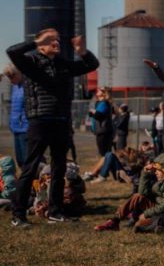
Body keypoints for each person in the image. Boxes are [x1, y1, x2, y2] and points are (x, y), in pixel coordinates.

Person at [6, 29, 99, 227]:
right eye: (51, 40)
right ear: (41, 44)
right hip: (40, 121)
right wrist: (35, 41)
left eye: (58, 39)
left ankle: (55, 212)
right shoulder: (31, 62)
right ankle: (18, 215)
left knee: (59, 168)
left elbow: (92, 65)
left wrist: (82, 51)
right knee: (30, 168)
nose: (57, 43)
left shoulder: (62, 64)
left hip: (61, 120)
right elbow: (12, 52)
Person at [93, 152, 164, 231]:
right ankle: (114, 221)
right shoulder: (163, 180)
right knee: (137, 197)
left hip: (163, 214)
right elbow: (142, 193)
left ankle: (150, 225)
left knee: (139, 225)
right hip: (156, 210)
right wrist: (145, 173)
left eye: (158, 170)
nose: (156, 172)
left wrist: (146, 214)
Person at [4, 64, 28, 167]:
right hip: (16, 127)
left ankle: (33, 180)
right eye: (8, 77)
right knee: (20, 160)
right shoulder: (15, 87)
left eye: (12, 76)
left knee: (27, 159)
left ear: (18, 73)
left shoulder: (27, 85)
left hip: (25, 128)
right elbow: (14, 107)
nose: (10, 80)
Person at [87, 86, 114, 157]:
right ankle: (106, 166)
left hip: (104, 131)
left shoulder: (104, 103)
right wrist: (92, 113)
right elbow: (94, 115)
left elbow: (99, 115)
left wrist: (94, 112)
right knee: (103, 153)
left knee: (104, 154)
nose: (98, 90)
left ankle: (106, 167)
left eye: (101, 90)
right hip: (100, 131)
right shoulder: (99, 103)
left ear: (104, 94)